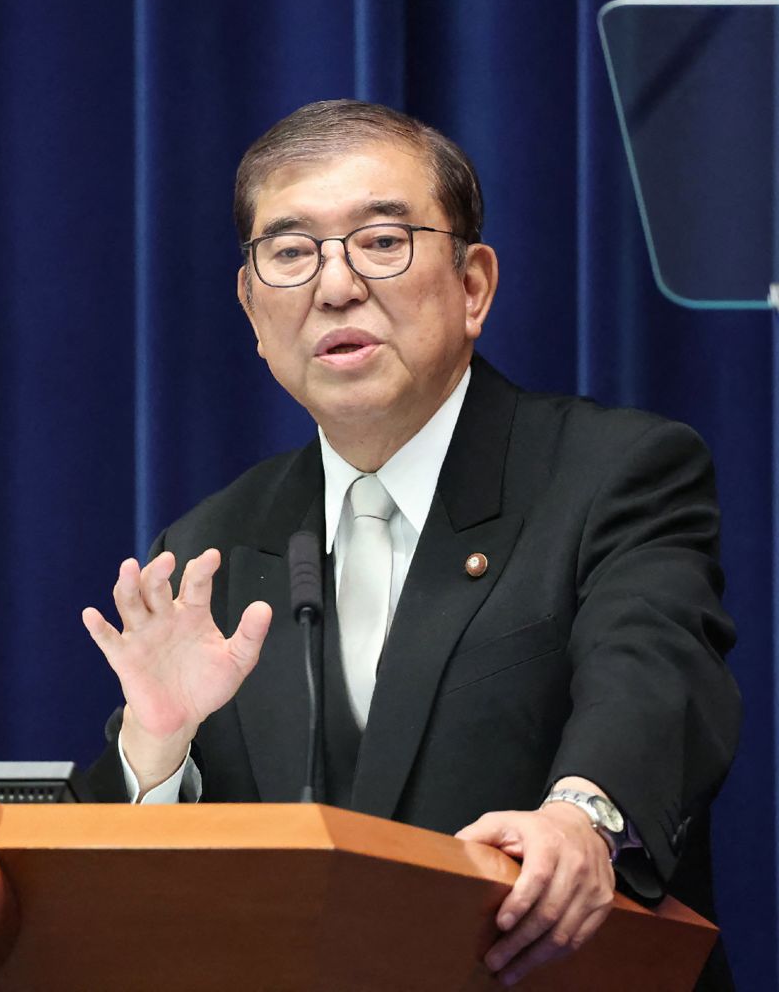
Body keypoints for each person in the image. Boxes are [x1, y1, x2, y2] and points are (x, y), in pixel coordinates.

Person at [82, 100, 740, 988]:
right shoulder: (212, 550)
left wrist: (582, 819)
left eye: (382, 241)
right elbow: (126, 895)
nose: (336, 286)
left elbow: (654, 675)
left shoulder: (611, 474)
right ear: (250, 308)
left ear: (473, 285)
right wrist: (158, 749)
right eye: (289, 252)